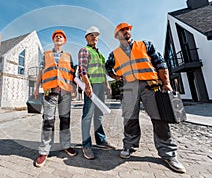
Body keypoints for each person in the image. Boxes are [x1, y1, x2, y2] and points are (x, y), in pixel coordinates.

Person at [105, 22, 186, 173]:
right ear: (117, 36)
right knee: (129, 119)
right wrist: (116, 77)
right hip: (129, 88)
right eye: (122, 30)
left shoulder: (145, 45)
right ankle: (129, 146)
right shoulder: (114, 54)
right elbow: (107, 67)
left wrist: (166, 83)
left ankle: (168, 154)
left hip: (150, 86)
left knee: (159, 119)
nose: (126, 31)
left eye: (127, 29)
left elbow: (160, 63)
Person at [33, 29, 77, 167]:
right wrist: (36, 88)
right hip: (49, 91)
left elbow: (71, 75)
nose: (58, 38)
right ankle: (44, 151)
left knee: (65, 121)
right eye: (56, 36)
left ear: (64, 41)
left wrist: (74, 89)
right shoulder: (46, 55)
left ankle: (66, 145)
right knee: (48, 121)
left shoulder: (69, 56)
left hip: (65, 93)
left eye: (61, 36)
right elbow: (41, 72)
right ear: (53, 40)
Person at [78, 26, 115, 160]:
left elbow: (103, 71)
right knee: (87, 116)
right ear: (87, 37)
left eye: (96, 35)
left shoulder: (100, 55)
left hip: (100, 86)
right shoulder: (84, 51)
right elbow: (82, 70)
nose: (94, 37)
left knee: (98, 115)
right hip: (91, 86)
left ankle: (101, 141)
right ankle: (86, 145)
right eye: (91, 35)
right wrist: (87, 85)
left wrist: (107, 85)